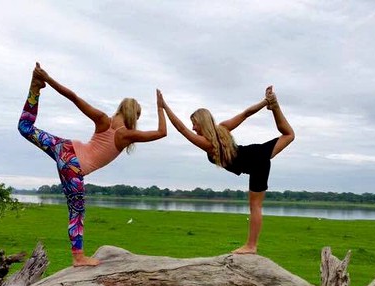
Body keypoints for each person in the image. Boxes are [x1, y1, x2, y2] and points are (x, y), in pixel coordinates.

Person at [18, 62, 166, 266]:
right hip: (74, 166)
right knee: (76, 212)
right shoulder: (126, 135)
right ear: (135, 115)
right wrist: (161, 107)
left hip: (64, 148)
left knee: (25, 127)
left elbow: (74, 97)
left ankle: (35, 89)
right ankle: (78, 257)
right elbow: (162, 132)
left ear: (120, 109)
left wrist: (47, 80)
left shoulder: (103, 120)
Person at [160, 86, 294, 254]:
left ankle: (251, 246)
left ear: (201, 123)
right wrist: (265, 102)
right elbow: (246, 114)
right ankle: (274, 106)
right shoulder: (222, 129)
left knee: (255, 206)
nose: (193, 128)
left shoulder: (208, 144)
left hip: (256, 161)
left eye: (194, 124)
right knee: (289, 135)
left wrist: (164, 106)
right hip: (256, 154)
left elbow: (181, 129)